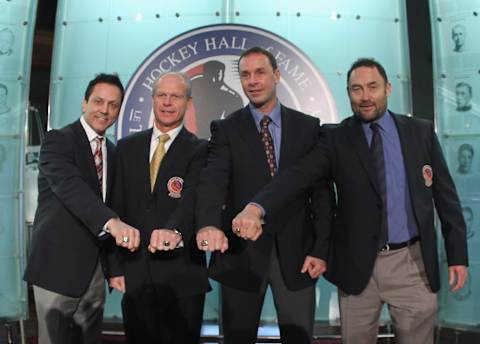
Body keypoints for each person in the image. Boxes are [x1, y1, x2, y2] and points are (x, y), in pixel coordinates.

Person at [233, 58, 469, 344]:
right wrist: (256, 207)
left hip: (412, 265)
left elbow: (446, 199)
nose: (365, 96)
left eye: (373, 87)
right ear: (348, 93)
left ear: (388, 88)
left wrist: (457, 256)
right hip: (358, 269)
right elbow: (297, 176)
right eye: (356, 89)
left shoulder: (419, 132)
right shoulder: (335, 138)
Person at [195, 47, 333, 344]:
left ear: (277, 76)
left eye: (260, 73)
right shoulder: (225, 128)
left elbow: (321, 195)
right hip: (240, 256)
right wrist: (208, 224)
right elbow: (213, 181)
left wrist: (321, 249)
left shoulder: (308, 128)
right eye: (245, 75)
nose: (252, 81)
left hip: (298, 255)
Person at [24, 73, 141, 344]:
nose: (105, 110)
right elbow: (71, 187)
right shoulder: (58, 141)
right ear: (84, 103)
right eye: (98, 101)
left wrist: (113, 268)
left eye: (113, 104)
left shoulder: (112, 151)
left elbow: (113, 204)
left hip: (95, 274)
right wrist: (112, 223)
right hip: (57, 269)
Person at [107, 72, 210, 344]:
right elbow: (115, 207)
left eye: (175, 96)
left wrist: (173, 230)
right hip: (135, 273)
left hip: (183, 275)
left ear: (188, 102)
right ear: (152, 99)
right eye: (161, 95)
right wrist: (115, 267)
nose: (167, 102)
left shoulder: (201, 150)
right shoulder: (126, 147)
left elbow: (193, 200)